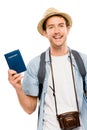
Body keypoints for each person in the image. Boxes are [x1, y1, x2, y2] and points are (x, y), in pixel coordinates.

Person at [8, 7, 87, 130]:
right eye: (51, 27)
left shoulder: (83, 60)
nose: (57, 31)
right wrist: (18, 87)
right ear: (45, 32)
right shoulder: (35, 65)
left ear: (68, 29)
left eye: (61, 25)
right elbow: (30, 109)